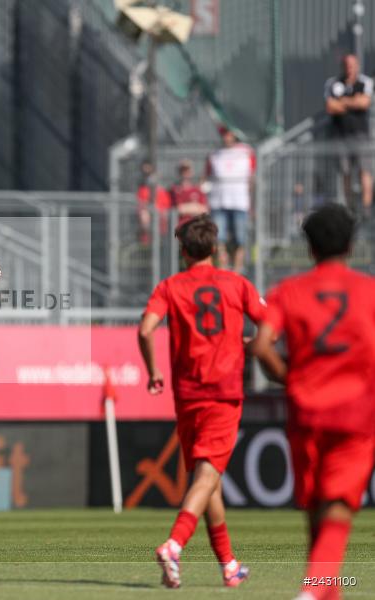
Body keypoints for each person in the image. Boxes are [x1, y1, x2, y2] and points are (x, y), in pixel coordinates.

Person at [250, 204, 375, 600]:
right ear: (352, 246)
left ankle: (324, 592)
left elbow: (261, 346)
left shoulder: (288, 292)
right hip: (355, 413)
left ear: (309, 249)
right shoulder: (369, 291)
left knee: (316, 507)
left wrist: (291, 377)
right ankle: (311, 591)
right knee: (338, 504)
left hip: (305, 411)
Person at [138, 215, 265, 589]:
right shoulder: (237, 284)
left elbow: (146, 329)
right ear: (215, 248)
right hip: (224, 393)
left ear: (183, 251)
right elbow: (270, 324)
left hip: (187, 396)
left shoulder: (170, 287)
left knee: (208, 479)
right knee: (209, 474)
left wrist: (153, 371)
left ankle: (229, 565)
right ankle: (174, 545)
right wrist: (248, 347)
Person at [325, 53, 373, 216]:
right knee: (345, 173)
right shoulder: (333, 83)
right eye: (346, 65)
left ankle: (365, 208)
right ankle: (350, 208)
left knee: (364, 170)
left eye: (352, 65)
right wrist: (353, 101)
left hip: (360, 135)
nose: (349, 68)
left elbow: (364, 103)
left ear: (357, 66)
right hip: (341, 136)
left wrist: (343, 101)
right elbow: (331, 107)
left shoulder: (365, 82)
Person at [205, 126, 255, 272]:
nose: (226, 137)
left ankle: (238, 272)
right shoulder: (214, 154)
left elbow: (252, 178)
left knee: (240, 238)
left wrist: (252, 202)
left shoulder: (246, 152)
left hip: (240, 203)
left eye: (229, 133)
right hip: (218, 202)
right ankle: (223, 270)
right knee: (219, 239)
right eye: (224, 134)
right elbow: (206, 177)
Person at [137, 160, 173, 245]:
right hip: (148, 234)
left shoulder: (163, 193)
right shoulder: (142, 191)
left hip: (162, 231)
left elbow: (166, 210)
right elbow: (141, 208)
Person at [169, 159, 209, 229]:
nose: (185, 173)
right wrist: (195, 206)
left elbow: (204, 210)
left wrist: (187, 208)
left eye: (187, 171)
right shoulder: (174, 190)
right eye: (182, 171)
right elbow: (178, 209)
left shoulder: (198, 190)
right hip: (180, 228)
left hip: (196, 227)